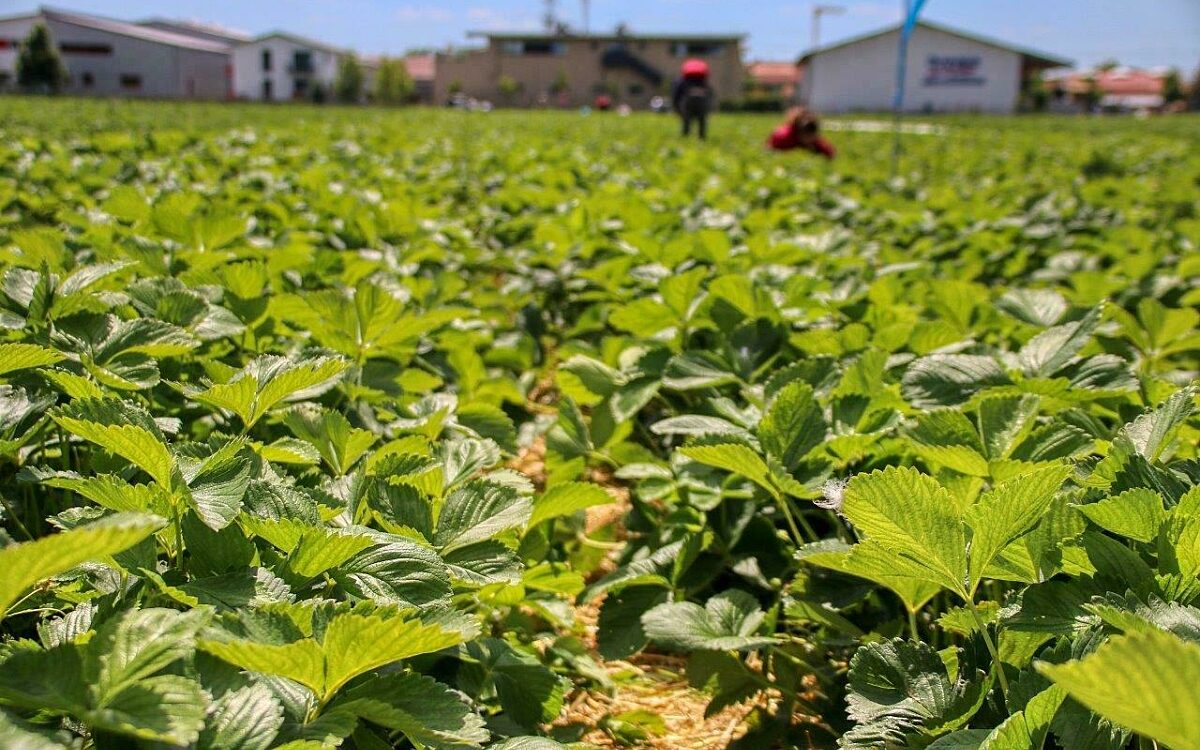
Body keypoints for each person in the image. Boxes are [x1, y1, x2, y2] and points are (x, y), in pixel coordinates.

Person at [768, 107, 836, 159]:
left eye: (812, 136)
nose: (810, 140)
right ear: (800, 132)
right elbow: (770, 149)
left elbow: (830, 153)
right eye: (807, 137)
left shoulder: (814, 140)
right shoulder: (783, 136)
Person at [673, 59, 714, 140]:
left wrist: (676, 107)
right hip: (701, 104)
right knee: (701, 121)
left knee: (686, 120)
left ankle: (685, 136)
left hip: (688, 103)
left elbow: (677, 94)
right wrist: (710, 107)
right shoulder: (703, 81)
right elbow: (709, 94)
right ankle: (701, 137)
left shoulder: (684, 81)